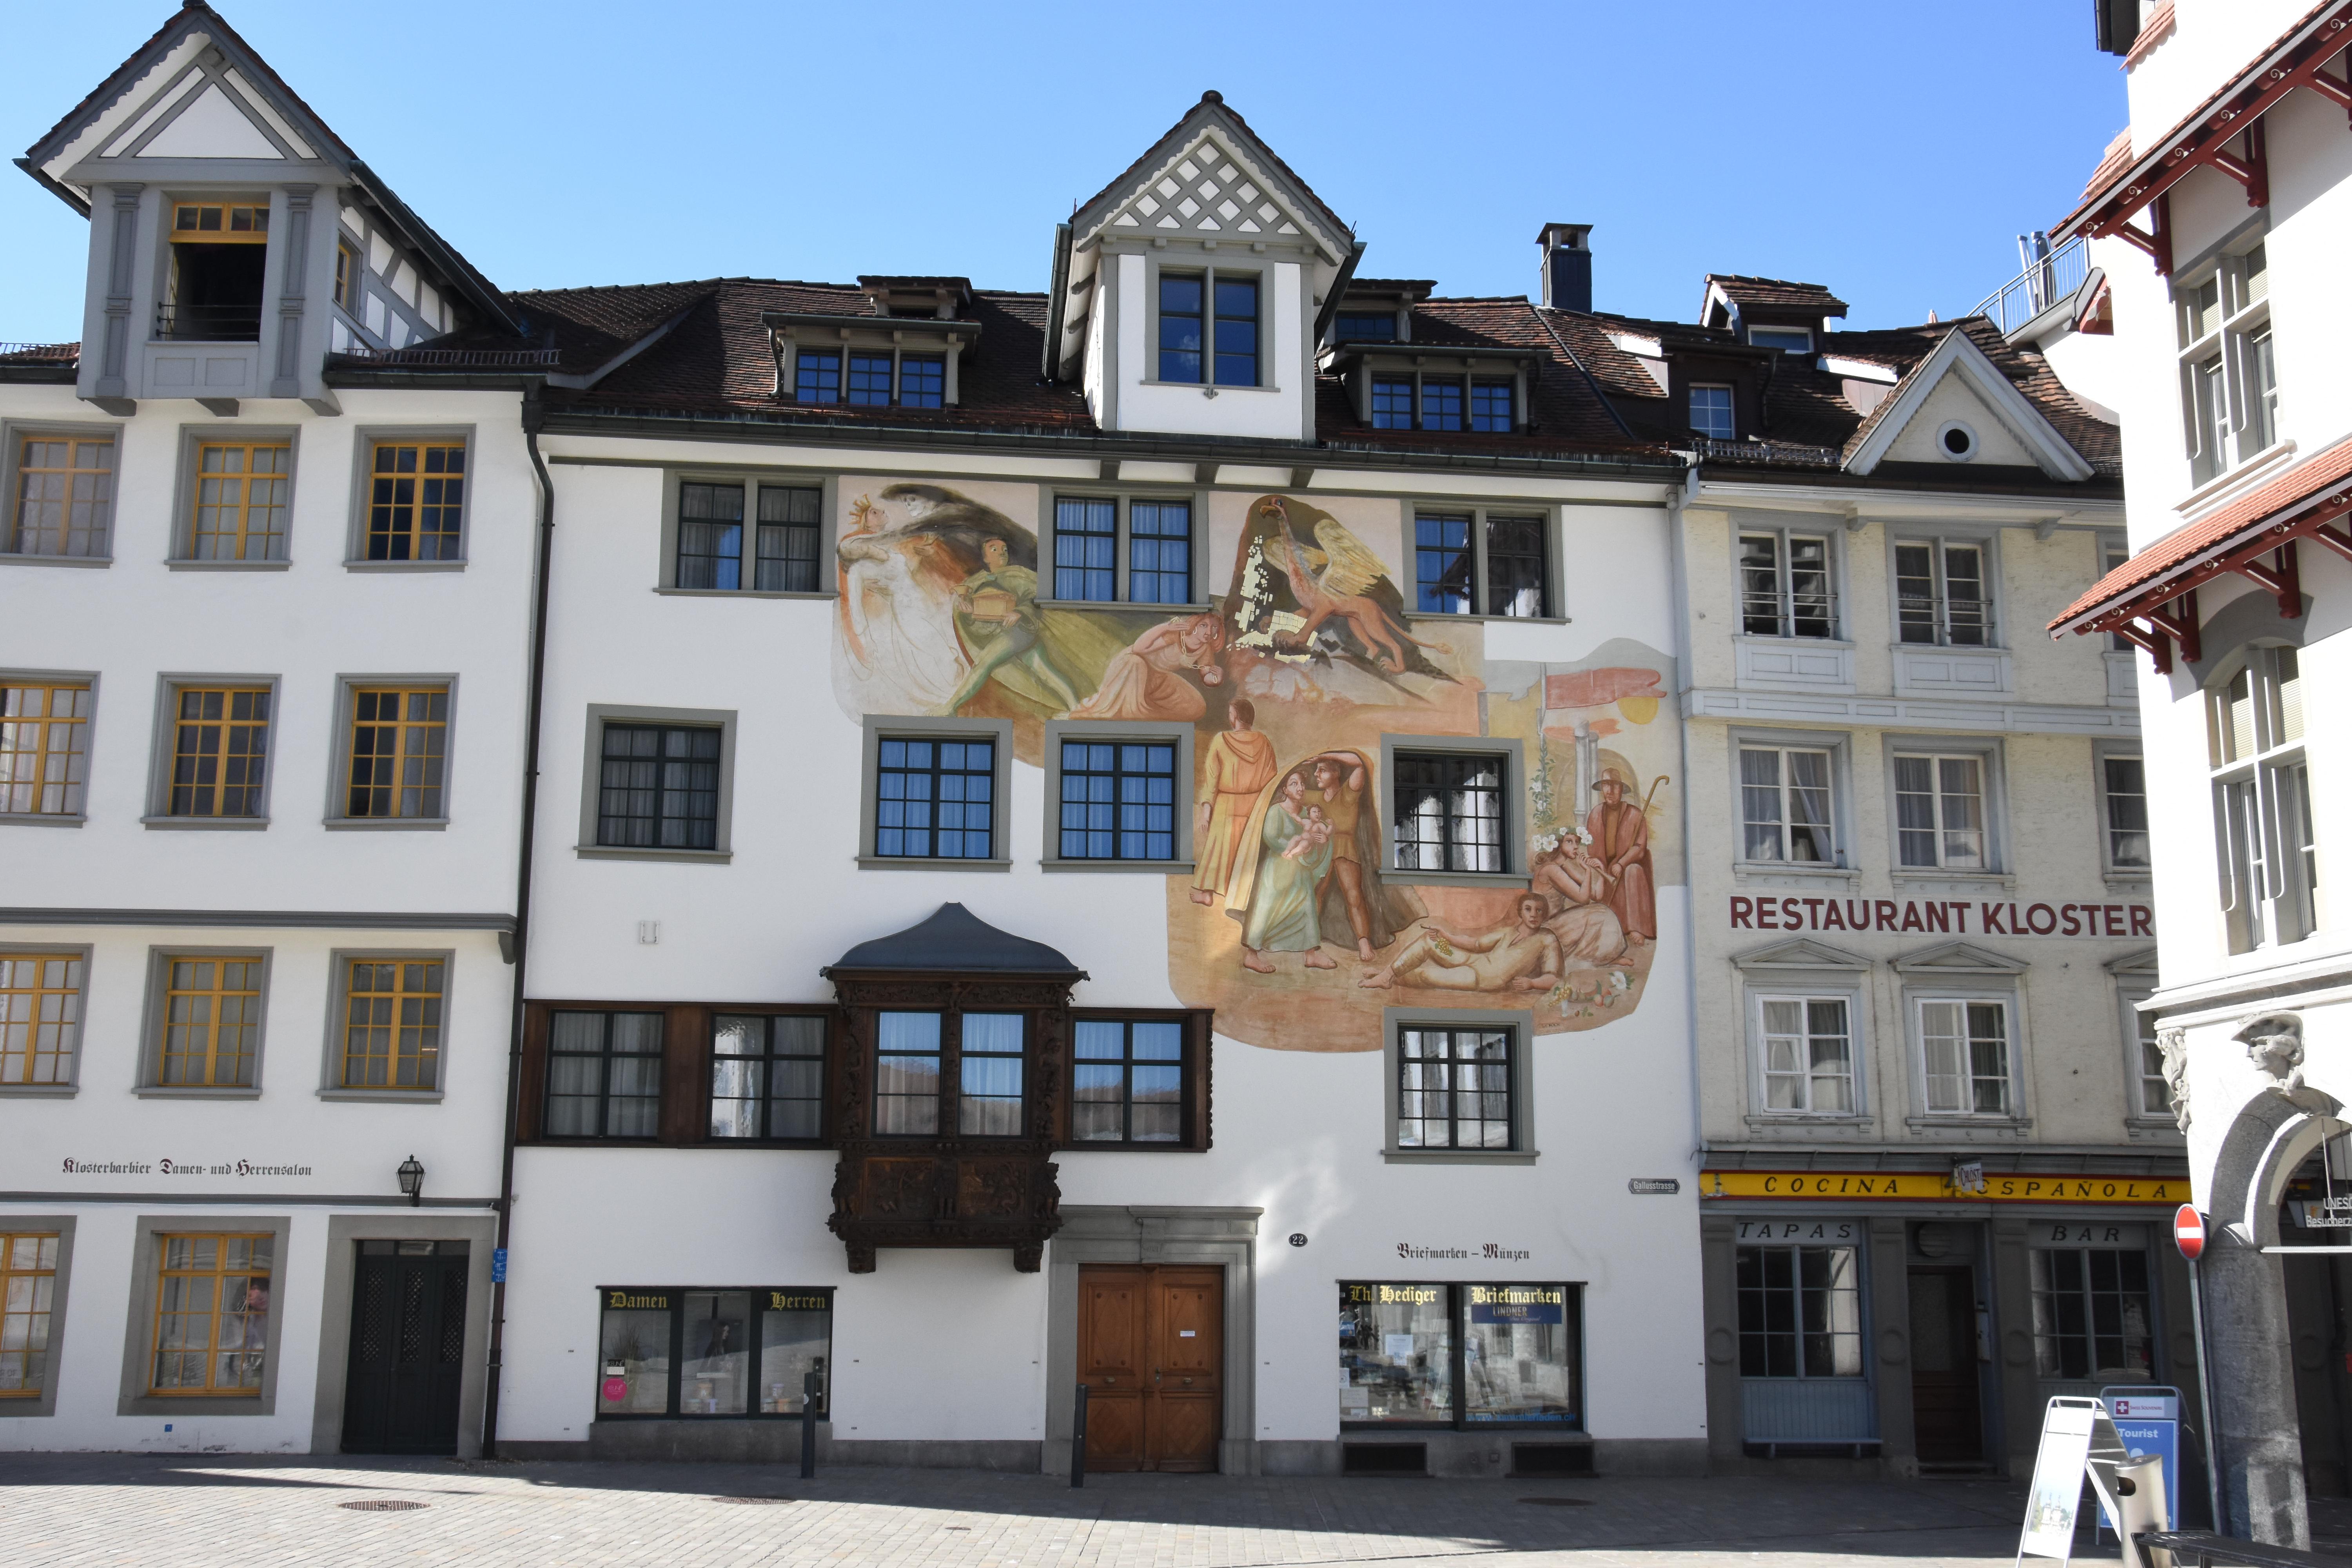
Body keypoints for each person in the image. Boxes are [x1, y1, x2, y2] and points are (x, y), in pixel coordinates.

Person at [940, 536, 1081, 715]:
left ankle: (950, 708)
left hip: (1018, 630)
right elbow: (977, 616)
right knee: (1046, 673)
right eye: (994, 549)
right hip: (1003, 633)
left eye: (1005, 550)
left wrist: (1019, 612)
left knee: (983, 664)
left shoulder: (1018, 574)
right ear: (985, 558)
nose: (1002, 553)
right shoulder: (976, 582)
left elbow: (1035, 597)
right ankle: (1077, 709)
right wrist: (968, 612)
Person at [1357, 894, 1563, 993]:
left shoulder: (1548, 939)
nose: (1533, 915)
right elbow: (1477, 945)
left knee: (1428, 975)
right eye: (1528, 909)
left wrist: (1532, 984)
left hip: (1484, 978)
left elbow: (1554, 978)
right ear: (1521, 912)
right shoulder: (1510, 931)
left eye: (1539, 911)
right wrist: (1445, 936)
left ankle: (1387, 976)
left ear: (1545, 914)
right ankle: (1387, 974)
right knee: (1429, 939)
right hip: (1474, 960)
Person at [1240, 772, 1337, 973]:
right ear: (1285, 789)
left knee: (1307, 908)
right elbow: (1271, 837)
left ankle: (1311, 954)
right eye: (1294, 784)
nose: (1300, 788)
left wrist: (1322, 842)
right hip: (1277, 869)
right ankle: (1252, 955)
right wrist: (1293, 849)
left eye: (1302, 784)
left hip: (1300, 871)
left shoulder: (1307, 814)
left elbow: (1317, 837)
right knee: (1266, 908)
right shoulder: (1276, 811)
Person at [1192, 700, 1277, 905]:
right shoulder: (1264, 742)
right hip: (1255, 805)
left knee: (1218, 850)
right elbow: (1272, 777)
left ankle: (1208, 894)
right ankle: (1241, 897)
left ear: (1236, 717)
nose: (1230, 716)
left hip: (1226, 804)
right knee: (1247, 850)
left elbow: (1212, 780)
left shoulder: (1221, 740)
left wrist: (1206, 813)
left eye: (1231, 713)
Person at [1068, 612, 1223, 722]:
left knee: (1196, 707)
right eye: (1204, 625)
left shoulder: (1205, 648)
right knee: (1137, 663)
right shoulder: (1176, 636)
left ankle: (1145, 712)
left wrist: (1217, 678)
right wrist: (1164, 628)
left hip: (1159, 678)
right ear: (1195, 625)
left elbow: (1206, 674)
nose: (1209, 632)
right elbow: (1139, 649)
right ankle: (1129, 713)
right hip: (1132, 669)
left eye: (1214, 627)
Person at [1307, 753, 1376, 960]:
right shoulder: (1314, 798)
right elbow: (1289, 795)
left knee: (1354, 895)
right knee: (1315, 893)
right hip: (1322, 850)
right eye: (1316, 770)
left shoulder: (1348, 793)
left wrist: (1326, 755)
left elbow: (1360, 765)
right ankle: (1310, 941)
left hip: (1345, 847)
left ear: (1336, 773)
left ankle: (1363, 941)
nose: (1317, 774)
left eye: (1323, 770)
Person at [1584, 769, 1655, 946]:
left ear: (1622, 789)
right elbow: (1592, 845)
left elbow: (1640, 848)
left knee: (1634, 871)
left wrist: (1622, 864)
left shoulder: (1635, 815)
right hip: (1605, 869)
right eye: (1606, 785)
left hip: (1628, 868)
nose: (1610, 791)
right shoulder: (1595, 814)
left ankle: (1637, 927)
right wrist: (1598, 863)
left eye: (1615, 785)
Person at [1531, 836, 1627, 963]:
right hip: (1547, 929)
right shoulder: (1551, 869)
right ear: (1558, 844)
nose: (1576, 847)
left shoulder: (1563, 866)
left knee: (1602, 911)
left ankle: (1605, 957)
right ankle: (1598, 958)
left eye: (1577, 842)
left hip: (1558, 923)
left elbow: (1597, 896)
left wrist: (1601, 872)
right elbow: (1584, 899)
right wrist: (1588, 871)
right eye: (1569, 842)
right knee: (1602, 914)